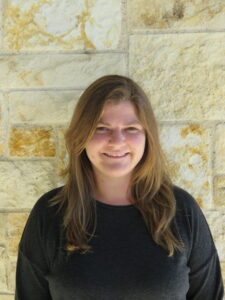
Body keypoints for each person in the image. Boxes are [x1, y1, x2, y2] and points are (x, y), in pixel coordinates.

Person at [15, 75, 224, 300]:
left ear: (148, 136)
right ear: (81, 135)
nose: (117, 141)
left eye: (131, 128)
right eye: (102, 128)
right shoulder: (50, 213)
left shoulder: (181, 210)